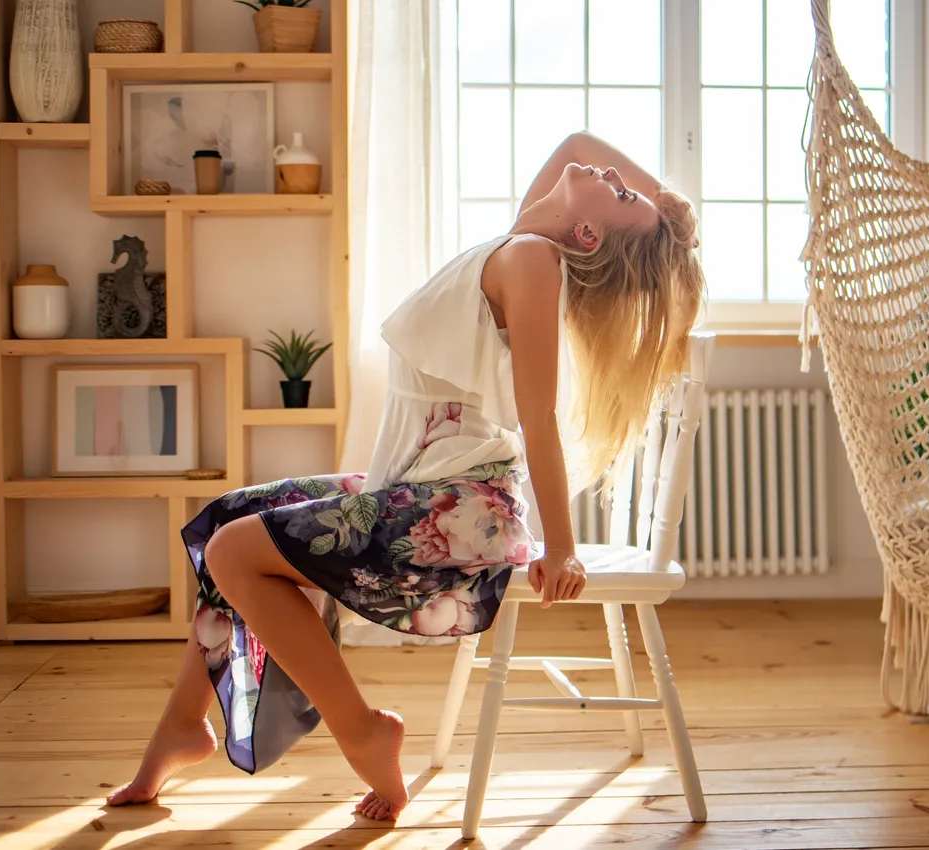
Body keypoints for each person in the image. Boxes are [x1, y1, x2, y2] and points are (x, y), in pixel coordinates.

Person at [107, 131, 706, 821]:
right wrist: (660, 207)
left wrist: (562, 545)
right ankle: (184, 726)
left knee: (230, 552)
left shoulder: (536, 264)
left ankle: (363, 733)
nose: (609, 170)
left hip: (458, 509)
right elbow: (579, 143)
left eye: (619, 191)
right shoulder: (519, 241)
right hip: (409, 488)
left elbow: (537, 419)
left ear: (587, 231)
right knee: (225, 521)